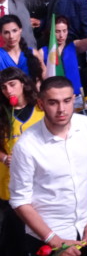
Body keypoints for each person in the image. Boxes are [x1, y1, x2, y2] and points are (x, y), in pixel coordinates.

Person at [9, 76, 87, 255]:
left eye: (67, 101)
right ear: (41, 104)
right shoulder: (26, 145)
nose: (62, 109)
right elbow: (19, 200)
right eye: (53, 102)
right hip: (48, 236)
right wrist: (55, 241)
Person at [0, 68, 44, 256]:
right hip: (9, 184)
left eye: (12, 84)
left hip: (40, 184)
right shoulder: (2, 113)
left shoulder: (41, 109)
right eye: (3, 87)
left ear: (23, 84)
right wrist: (3, 157)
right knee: (14, 238)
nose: (8, 90)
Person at [0, 15, 45, 85]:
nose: (11, 36)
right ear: (1, 34)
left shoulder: (33, 53)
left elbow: (43, 77)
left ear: (20, 30)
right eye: (6, 32)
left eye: (14, 31)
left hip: (32, 94)